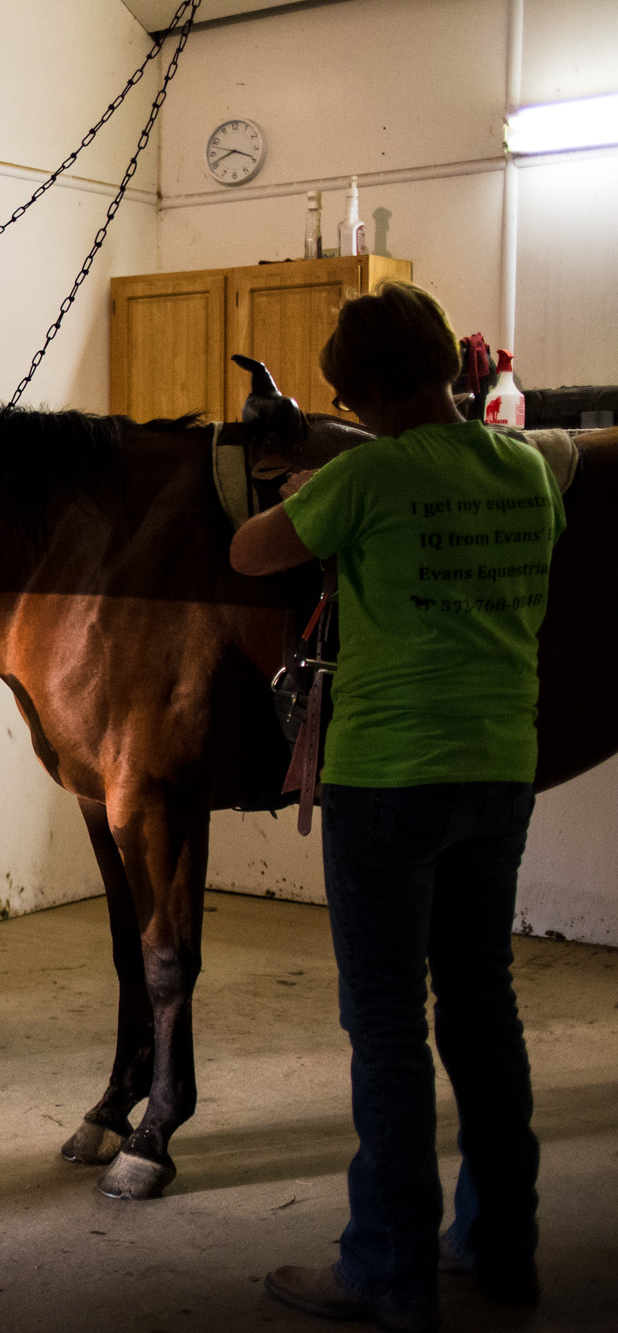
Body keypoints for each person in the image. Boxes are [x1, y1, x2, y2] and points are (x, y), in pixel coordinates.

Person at [229, 281, 563, 1332]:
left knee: (384, 1026)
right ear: (452, 370)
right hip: (499, 766)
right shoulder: (526, 467)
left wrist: (313, 484)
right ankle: (501, 1247)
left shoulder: (363, 475)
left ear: (363, 396)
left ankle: (386, 1267)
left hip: (385, 781)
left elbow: (250, 553)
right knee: (482, 1007)